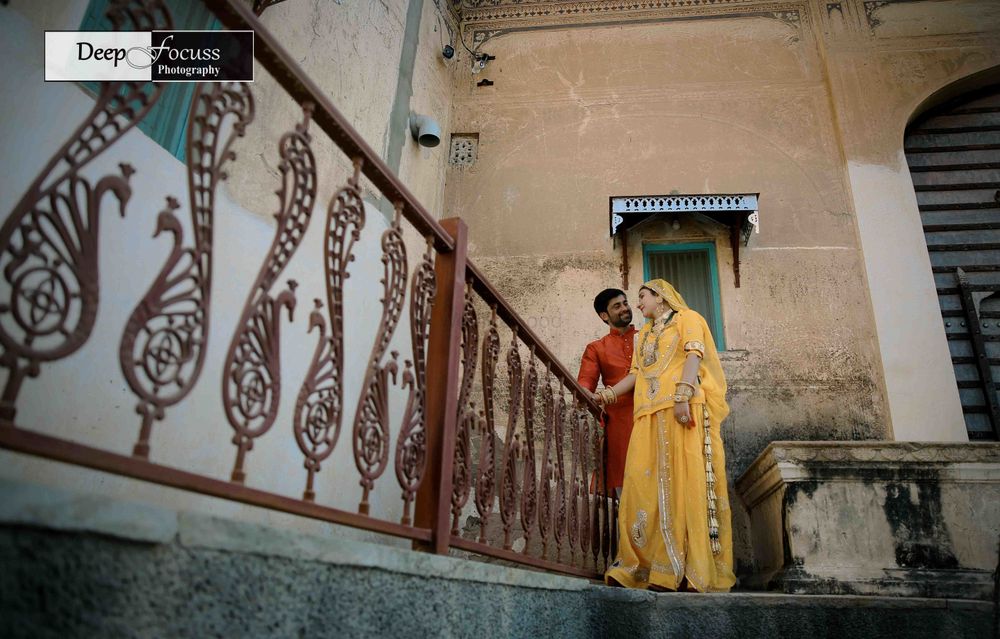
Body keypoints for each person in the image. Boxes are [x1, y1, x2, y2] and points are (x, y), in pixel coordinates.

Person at [594, 279, 736, 592]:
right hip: (647, 415)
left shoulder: (688, 318)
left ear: (660, 297)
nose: (637, 304)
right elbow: (636, 375)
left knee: (684, 483)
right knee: (644, 485)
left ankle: (686, 570)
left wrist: (683, 395)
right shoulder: (644, 333)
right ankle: (650, 567)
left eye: (642, 297)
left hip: (680, 409)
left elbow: (693, 355)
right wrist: (605, 396)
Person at [576, 288, 637, 494]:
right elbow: (585, 383)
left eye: (625, 303)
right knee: (627, 489)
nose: (625, 308)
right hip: (621, 426)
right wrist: (585, 394)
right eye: (617, 306)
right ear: (604, 315)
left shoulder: (648, 338)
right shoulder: (597, 348)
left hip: (655, 416)